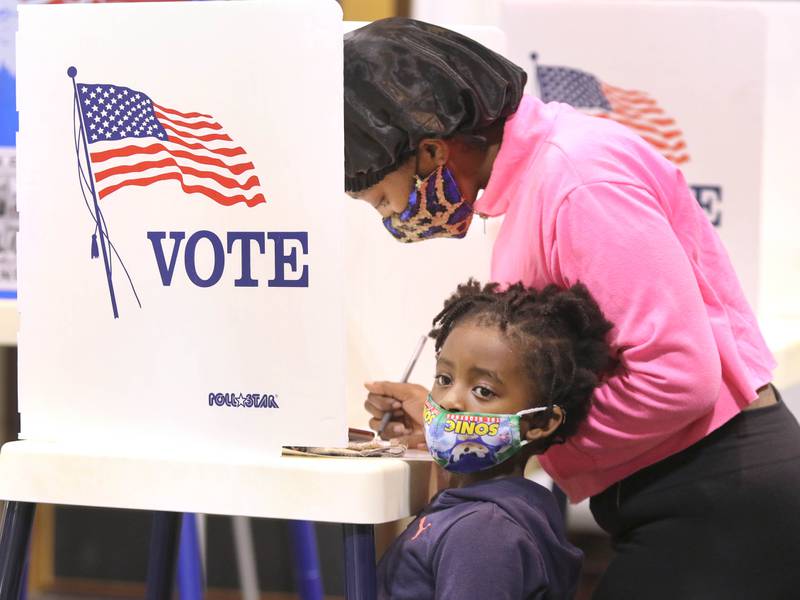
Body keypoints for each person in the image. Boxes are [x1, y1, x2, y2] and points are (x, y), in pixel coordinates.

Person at [345, 18, 800, 599]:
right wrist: (457, 420)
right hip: (682, 491)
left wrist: (505, 433)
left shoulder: (580, 178)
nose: (392, 217)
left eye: (385, 197)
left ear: (432, 150)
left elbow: (677, 376)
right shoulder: (537, 181)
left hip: (720, 496)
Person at [377, 279, 614, 600]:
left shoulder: (484, 533)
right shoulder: (486, 507)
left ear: (539, 421)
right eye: (444, 379)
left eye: (484, 391)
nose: (450, 401)